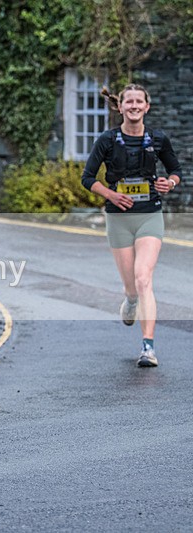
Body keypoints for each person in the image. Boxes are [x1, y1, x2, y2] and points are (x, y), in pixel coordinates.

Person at [81, 84, 182, 367]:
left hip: (150, 214)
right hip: (118, 219)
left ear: (147, 106)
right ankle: (130, 300)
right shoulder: (108, 140)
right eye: (129, 102)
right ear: (120, 107)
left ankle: (148, 348)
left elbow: (176, 171)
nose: (134, 106)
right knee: (132, 288)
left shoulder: (158, 139)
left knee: (143, 278)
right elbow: (88, 178)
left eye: (140, 101)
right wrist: (111, 194)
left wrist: (169, 183)